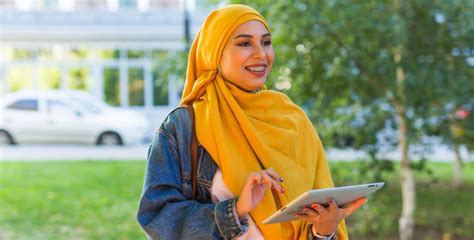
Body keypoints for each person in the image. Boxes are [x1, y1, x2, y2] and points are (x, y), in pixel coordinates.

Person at [137, 4, 367, 240]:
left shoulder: (292, 119)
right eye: (245, 43)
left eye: (266, 42)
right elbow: (156, 217)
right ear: (214, 52)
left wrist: (324, 230)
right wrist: (234, 211)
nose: (261, 54)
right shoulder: (184, 126)